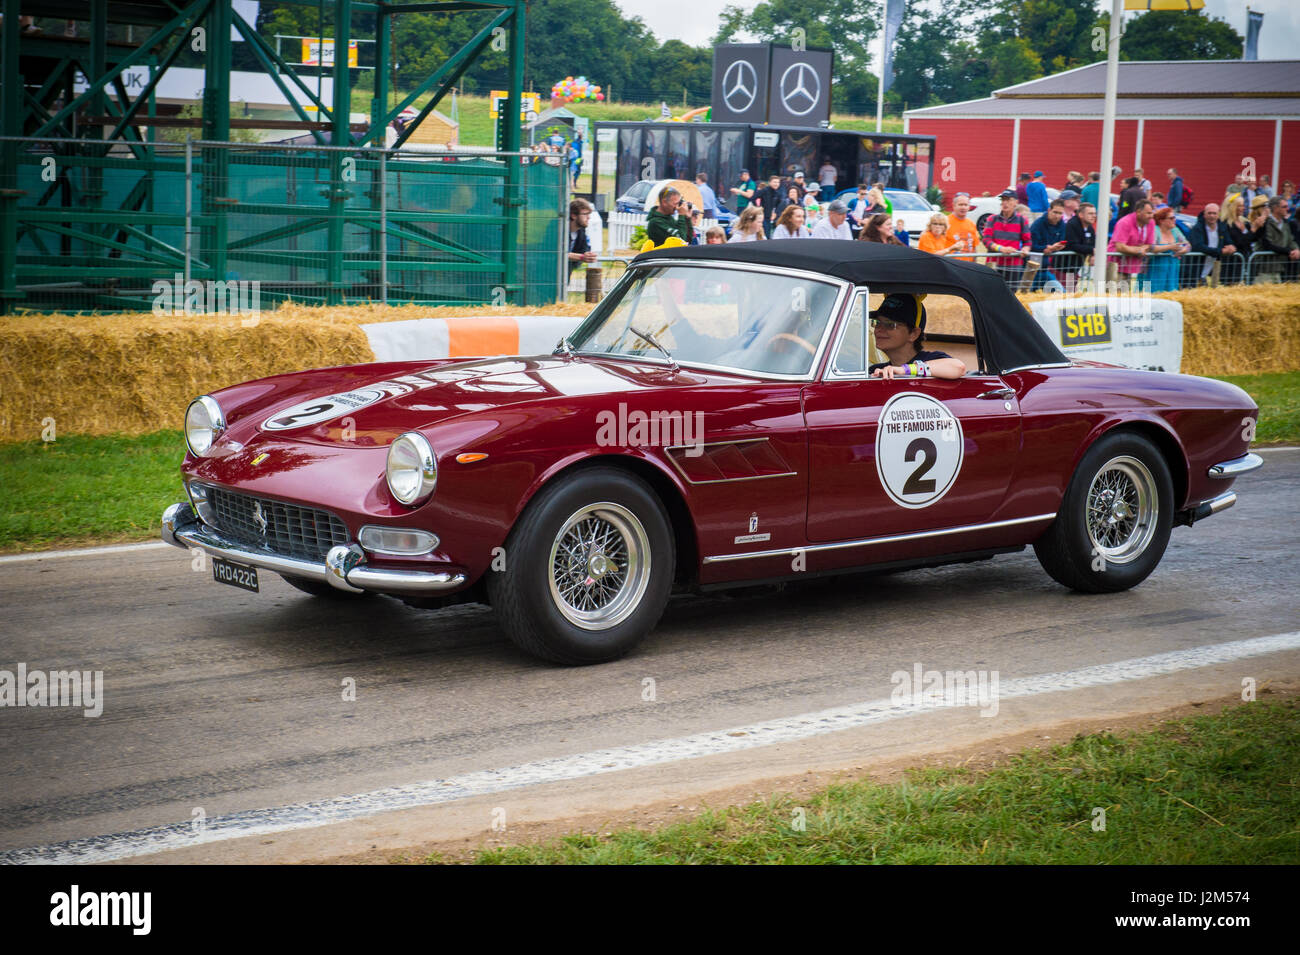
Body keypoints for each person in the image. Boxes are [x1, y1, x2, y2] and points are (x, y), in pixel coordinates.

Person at [867, 294, 967, 380]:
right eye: (877, 322)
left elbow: (958, 367)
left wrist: (904, 370)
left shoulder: (931, 359)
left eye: (889, 324)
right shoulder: (875, 370)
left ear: (913, 333)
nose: (878, 329)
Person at [982, 190, 1032, 289]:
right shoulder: (992, 219)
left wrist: (1025, 249)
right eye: (1003, 200)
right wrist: (1001, 249)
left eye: (1008, 200)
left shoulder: (1022, 220)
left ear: (1016, 202)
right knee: (991, 291)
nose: (1005, 202)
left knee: (1010, 294)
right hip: (994, 264)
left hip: (1014, 265)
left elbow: (1027, 241)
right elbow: (986, 240)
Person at [1185, 202, 1237, 287]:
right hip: (1196, 267)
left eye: (1214, 213)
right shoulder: (1197, 228)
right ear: (1204, 214)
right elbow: (1199, 246)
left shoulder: (1222, 227)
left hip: (1212, 267)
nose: (1212, 216)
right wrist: (1220, 251)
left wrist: (1231, 247)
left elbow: (1228, 241)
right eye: (1209, 213)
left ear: (1218, 215)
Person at [1108, 199, 1156, 289]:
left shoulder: (1150, 223)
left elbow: (1149, 244)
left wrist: (1142, 249)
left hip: (1130, 265)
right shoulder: (1124, 222)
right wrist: (1139, 250)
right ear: (1138, 212)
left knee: (1125, 296)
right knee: (1113, 295)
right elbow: (1120, 247)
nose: (1151, 216)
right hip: (1115, 264)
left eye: (1152, 213)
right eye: (1148, 213)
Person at [1255, 195, 1300, 282]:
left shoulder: (1286, 224)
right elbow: (1269, 245)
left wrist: (1296, 250)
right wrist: (1289, 251)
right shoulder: (1266, 223)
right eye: (1284, 207)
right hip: (1265, 269)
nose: (1287, 209)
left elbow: (1290, 240)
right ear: (1276, 208)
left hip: (1279, 268)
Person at [1028, 198, 1069, 290]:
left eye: (1060, 213)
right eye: (1055, 212)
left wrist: (1057, 248)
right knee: (1026, 293)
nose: (1057, 216)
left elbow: (1061, 241)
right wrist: (1045, 249)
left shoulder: (1062, 225)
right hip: (1032, 267)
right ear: (1049, 210)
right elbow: (1031, 245)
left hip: (1045, 267)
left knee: (1060, 291)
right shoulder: (1037, 224)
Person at [1146, 206, 1189, 292]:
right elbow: (1152, 247)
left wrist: (1184, 250)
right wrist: (1170, 247)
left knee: (1171, 292)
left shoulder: (1175, 230)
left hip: (1172, 268)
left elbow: (1187, 244)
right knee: (1154, 293)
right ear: (1161, 221)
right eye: (1171, 218)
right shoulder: (1155, 230)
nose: (1174, 220)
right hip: (1156, 269)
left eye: (1174, 217)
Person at [1063, 201, 1097, 291]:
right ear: (1081, 215)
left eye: (1094, 213)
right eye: (1090, 213)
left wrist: (1093, 254)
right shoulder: (1072, 224)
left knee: (1072, 292)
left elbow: (1093, 243)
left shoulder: (1090, 227)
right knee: (1066, 293)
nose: (1094, 216)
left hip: (1075, 267)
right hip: (1064, 267)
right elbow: (1073, 245)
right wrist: (1092, 250)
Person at [567, 199, 597, 275]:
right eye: (585, 214)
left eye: (589, 214)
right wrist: (581, 257)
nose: (588, 217)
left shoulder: (581, 231)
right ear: (573, 215)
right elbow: (557, 253)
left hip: (566, 274)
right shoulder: (558, 231)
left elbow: (585, 249)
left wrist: (587, 255)